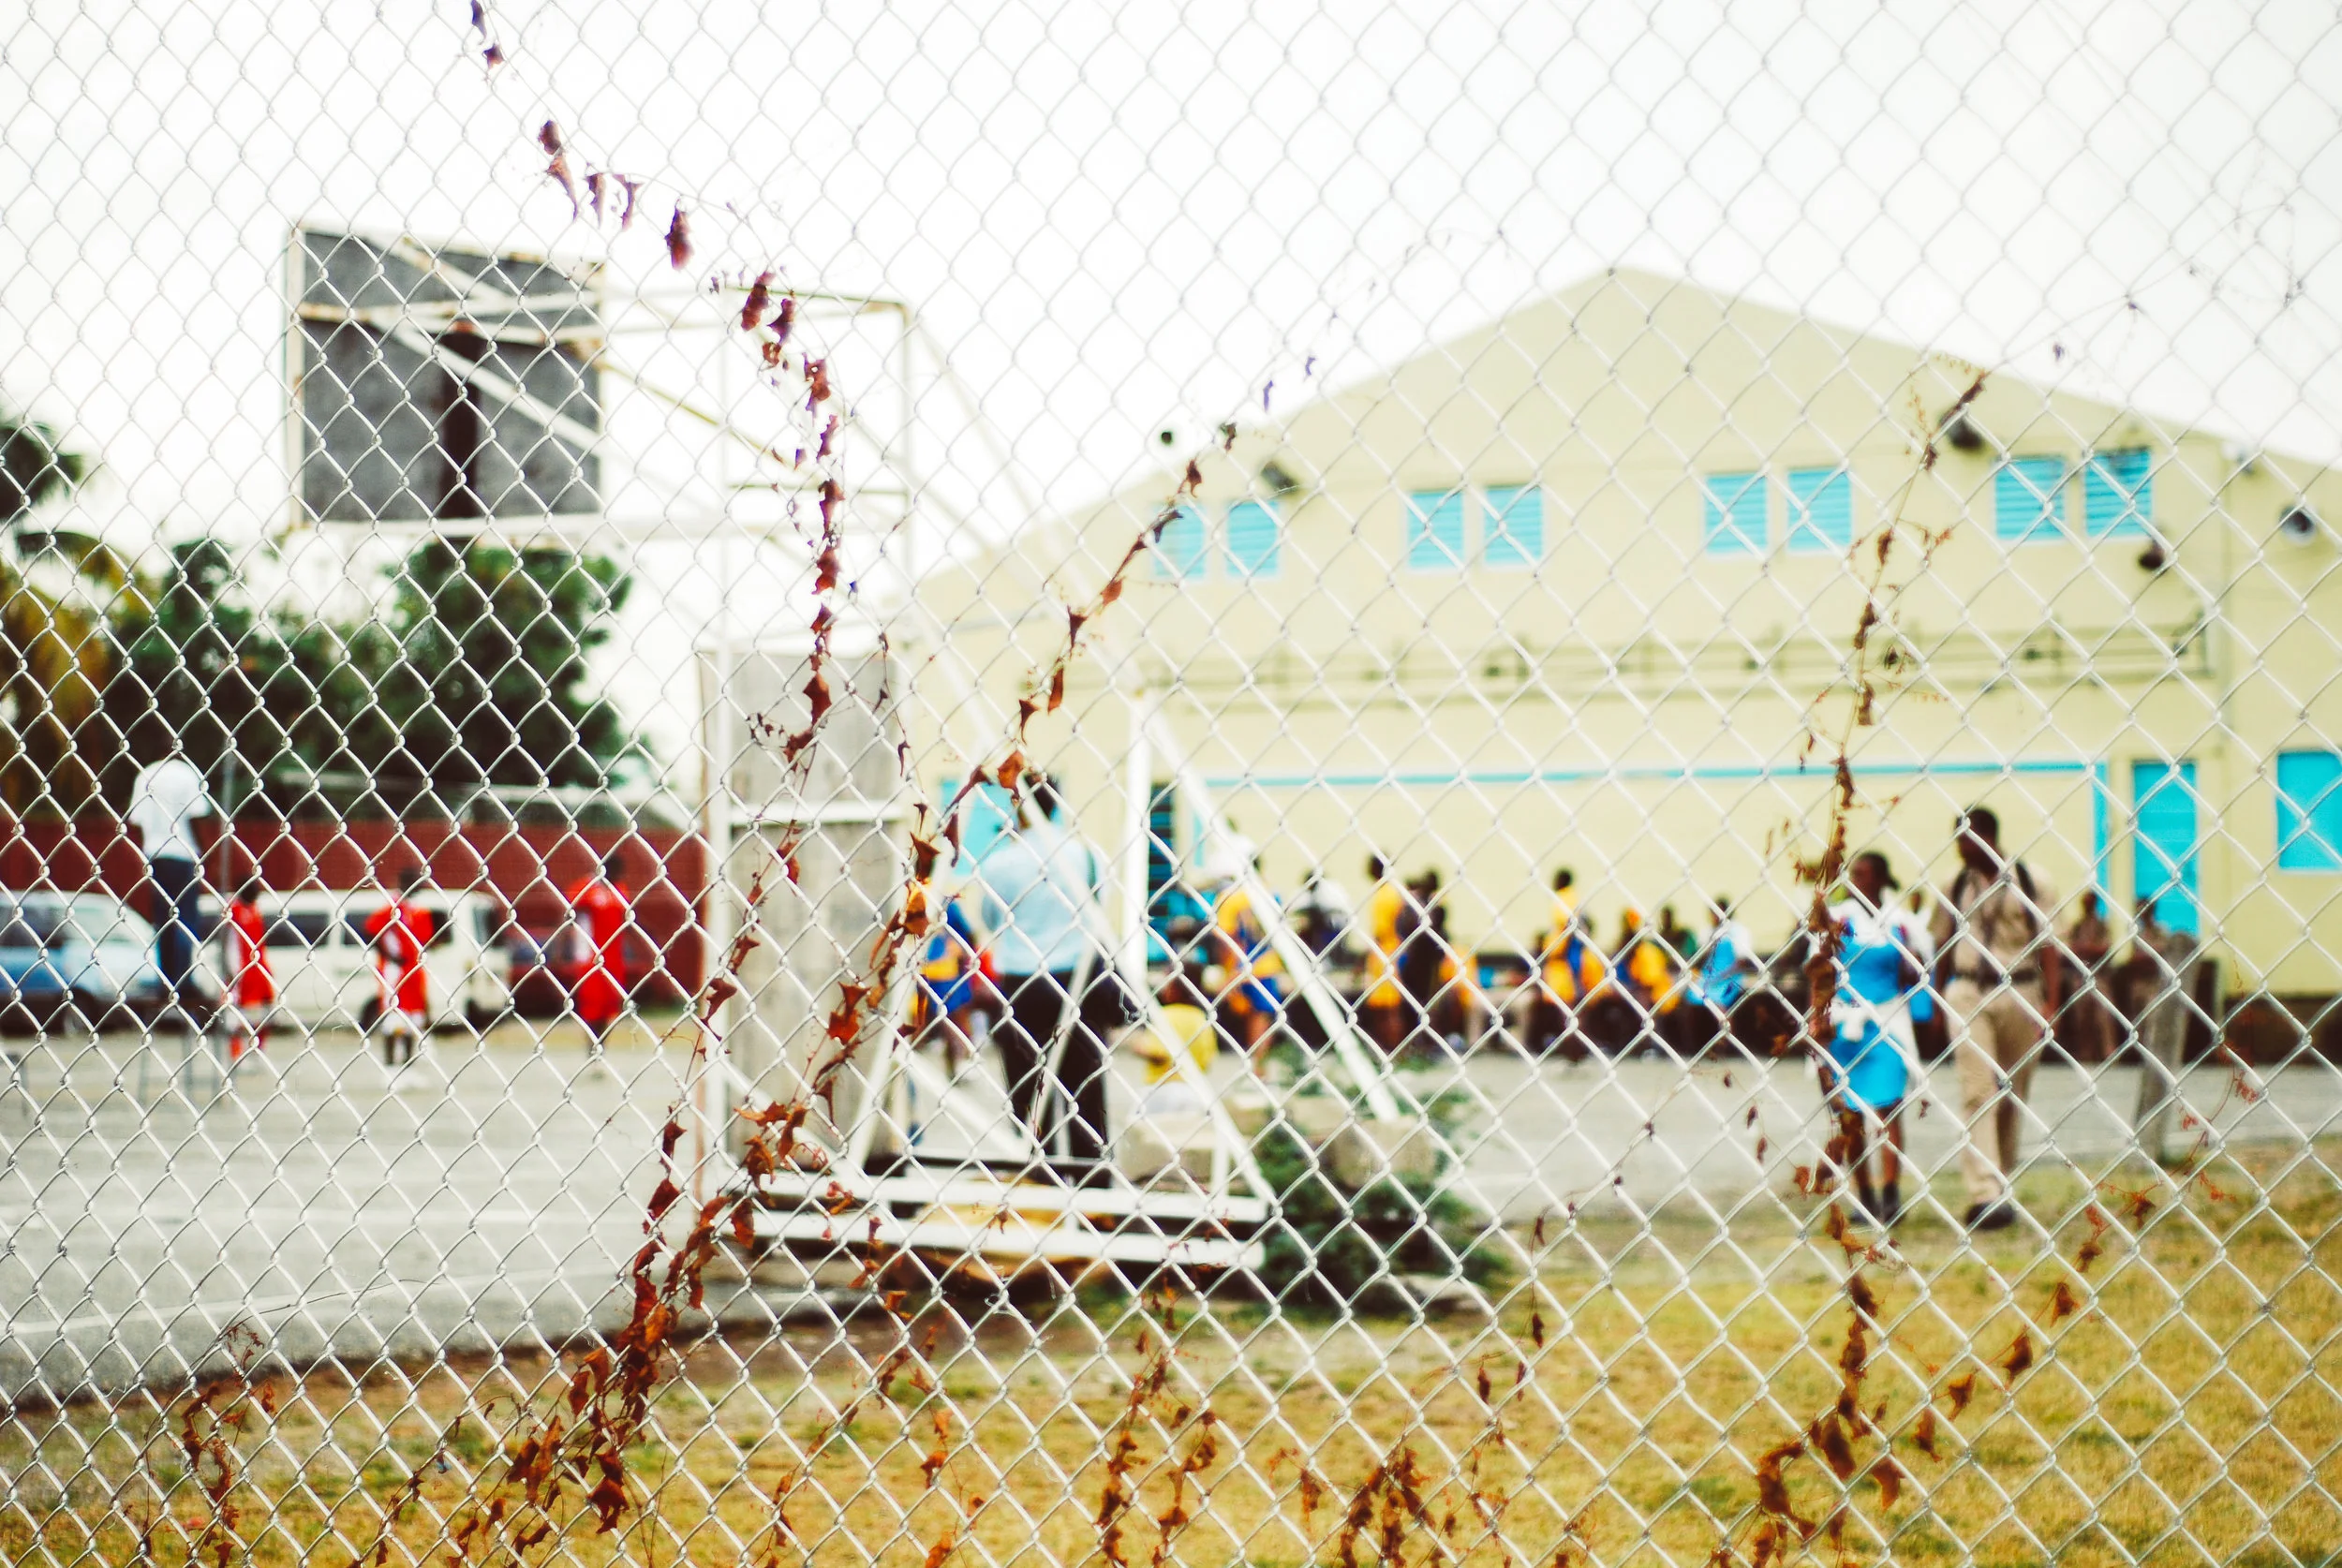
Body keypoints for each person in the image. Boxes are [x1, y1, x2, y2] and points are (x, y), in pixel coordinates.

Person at [972, 774, 1126, 1177]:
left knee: (1027, 1084)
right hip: (1076, 976)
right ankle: (1091, 1175)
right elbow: (1100, 904)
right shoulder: (1084, 854)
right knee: (1084, 1081)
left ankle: (1037, 1169)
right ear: (1056, 803)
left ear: (1016, 806)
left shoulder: (999, 861)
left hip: (1023, 980)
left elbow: (990, 918)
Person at [1928, 806, 2060, 1231]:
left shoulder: (2031, 880)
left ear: (1988, 835)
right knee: (1978, 1090)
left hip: (2020, 989)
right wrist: (1935, 996)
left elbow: (2051, 946)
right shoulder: (1954, 884)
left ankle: (2001, 1182)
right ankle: (1984, 1191)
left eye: (1967, 838)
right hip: (1967, 990)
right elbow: (1941, 942)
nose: (1960, 848)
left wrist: (2050, 1004)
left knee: (2010, 1093)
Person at [1815, 851, 1934, 1227]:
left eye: (1864, 874)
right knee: (1850, 1114)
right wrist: (1817, 1017)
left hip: (1887, 1020)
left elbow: (1923, 969)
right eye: (1854, 874)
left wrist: (1913, 976)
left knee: (1888, 1108)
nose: (1857, 881)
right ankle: (1863, 1194)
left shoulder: (1901, 922)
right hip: (1847, 1022)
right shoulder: (1840, 918)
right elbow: (1818, 969)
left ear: (1882, 878)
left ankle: (1890, 1192)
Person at [127, 752, 213, 1016]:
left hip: (156, 853)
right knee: (185, 920)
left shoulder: (147, 773)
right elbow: (196, 816)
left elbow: (136, 821)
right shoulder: (186, 773)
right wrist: (206, 852)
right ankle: (184, 981)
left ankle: (166, 982)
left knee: (163, 921)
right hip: (183, 852)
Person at [2127, 896, 2201, 1161]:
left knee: (2154, 1023)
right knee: (2140, 1022)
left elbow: (2156, 955)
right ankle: (2141, 1055)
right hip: (2139, 981)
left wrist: (2150, 954)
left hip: (2153, 983)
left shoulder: (2159, 932)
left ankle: (2149, 1056)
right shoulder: (2135, 931)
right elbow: (2136, 957)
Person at [1208, 858, 1285, 1064]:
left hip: (1239, 964)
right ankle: (1258, 1064)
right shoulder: (1272, 894)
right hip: (1266, 963)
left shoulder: (1230, 897)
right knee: (1262, 1015)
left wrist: (1226, 967)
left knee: (1247, 1014)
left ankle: (1254, 1064)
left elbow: (1225, 936)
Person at [913, 886, 992, 1076]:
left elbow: (966, 933)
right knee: (953, 1018)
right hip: (939, 969)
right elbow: (968, 933)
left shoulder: (921, 898)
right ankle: (959, 1062)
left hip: (927, 968)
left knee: (941, 1020)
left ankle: (959, 1061)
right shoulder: (941, 900)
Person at [365, 867, 437, 1075]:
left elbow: (426, 939)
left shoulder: (416, 910)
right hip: (395, 970)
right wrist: (389, 956)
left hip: (413, 969)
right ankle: (389, 1067)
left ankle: (407, 1067)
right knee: (393, 1016)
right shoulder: (393, 908)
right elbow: (371, 930)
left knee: (412, 1018)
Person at [565, 849, 633, 1053]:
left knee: (609, 1006)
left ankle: (600, 1044)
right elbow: (570, 914)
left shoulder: (620, 890)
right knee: (592, 1005)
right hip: (591, 956)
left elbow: (626, 921)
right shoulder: (587, 887)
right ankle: (591, 1046)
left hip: (614, 957)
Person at [1534, 871, 1606, 1058]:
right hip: (1570, 960)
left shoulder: (1563, 898)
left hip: (1565, 963)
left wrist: (1561, 952)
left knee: (1568, 1008)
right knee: (1573, 1008)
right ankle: (1576, 1048)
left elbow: (1567, 926)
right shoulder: (1574, 899)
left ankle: (1574, 1049)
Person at [2059, 890, 2118, 1064]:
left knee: (2104, 1015)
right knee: (2081, 1017)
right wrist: (2088, 949)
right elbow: (2070, 950)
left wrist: (2085, 949)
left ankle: (2109, 1052)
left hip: (2099, 976)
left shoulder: (2102, 925)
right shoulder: (2077, 926)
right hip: (2079, 976)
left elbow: (2104, 949)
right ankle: (2086, 1053)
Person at [1359, 856, 1408, 1054]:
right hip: (1393, 951)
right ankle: (1392, 1049)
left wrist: (1362, 958)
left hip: (1384, 955)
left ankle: (1393, 1048)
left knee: (1387, 1009)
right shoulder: (1394, 892)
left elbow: (1380, 932)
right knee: (1388, 1007)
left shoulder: (1382, 896)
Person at [223, 880, 274, 1066]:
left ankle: (258, 1050)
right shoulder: (233, 911)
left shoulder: (255, 910)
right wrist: (231, 970)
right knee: (236, 1014)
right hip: (240, 971)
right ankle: (236, 1054)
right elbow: (228, 944)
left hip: (259, 969)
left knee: (267, 1011)